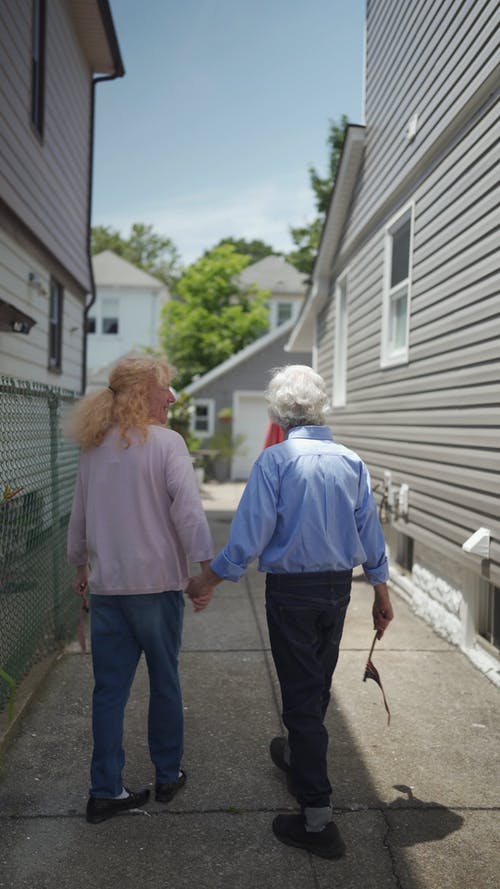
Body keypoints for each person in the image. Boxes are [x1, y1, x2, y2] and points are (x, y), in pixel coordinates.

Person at [186, 365, 393, 859]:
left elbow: (249, 537)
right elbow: (371, 533)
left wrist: (208, 580)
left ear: (279, 412)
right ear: (320, 406)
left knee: (302, 694)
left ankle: (317, 819)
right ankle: (300, 753)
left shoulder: (274, 461)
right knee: (316, 682)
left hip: (292, 592)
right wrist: (383, 596)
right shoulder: (351, 461)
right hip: (337, 590)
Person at [67, 356, 213, 824]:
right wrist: (206, 570)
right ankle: (167, 774)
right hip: (156, 588)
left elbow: (80, 518)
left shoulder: (93, 448)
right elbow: (188, 513)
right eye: (164, 389)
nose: (171, 397)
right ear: (139, 395)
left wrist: (79, 566)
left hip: (109, 589)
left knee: (109, 692)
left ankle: (104, 791)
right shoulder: (168, 444)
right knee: (164, 682)